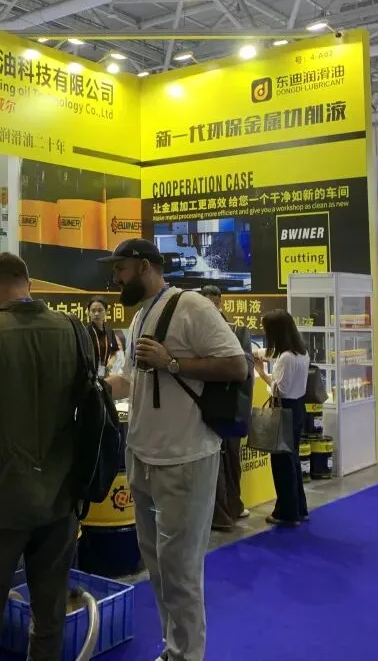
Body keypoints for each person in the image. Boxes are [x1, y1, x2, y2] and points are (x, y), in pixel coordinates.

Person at [99, 239, 246, 661]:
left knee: (180, 570)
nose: (116, 278)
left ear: (143, 266)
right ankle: (174, 647)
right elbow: (131, 380)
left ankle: (187, 655)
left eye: (121, 268)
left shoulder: (191, 306)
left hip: (186, 456)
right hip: (142, 455)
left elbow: (236, 364)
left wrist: (173, 363)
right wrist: (93, 389)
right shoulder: (139, 317)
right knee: (158, 566)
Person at [0, 252, 81, 661]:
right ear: (29, 283)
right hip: (61, 496)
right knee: (50, 610)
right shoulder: (73, 330)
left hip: (0, 500)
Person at [198, 284, 250, 532]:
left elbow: (245, 368)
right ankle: (221, 514)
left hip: (230, 404)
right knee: (215, 462)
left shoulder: (237, 330)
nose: (209, 307)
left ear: (220, 302)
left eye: (213, 302)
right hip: (206, 405)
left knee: (231, 460)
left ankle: (233, 507)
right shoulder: (198, 330)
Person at [253, 310, 311, 528]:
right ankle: (298, 508)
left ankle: (286, 512)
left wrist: (262, 373)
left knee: (282, 464)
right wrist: (261, 356)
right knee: (292, 460)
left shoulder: (286, 358)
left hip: (283, 409)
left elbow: (279, 390)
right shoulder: (301, 353)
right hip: (297, 409)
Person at [86, 295, 126, 377]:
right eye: (93, 311)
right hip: (88, 374)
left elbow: (114, 352)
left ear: (106, 311)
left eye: (100, 310)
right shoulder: (85, 332)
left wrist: (110, 364)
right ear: (88, 312)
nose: (96, 314)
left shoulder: (109, 331)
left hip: (104, 372)